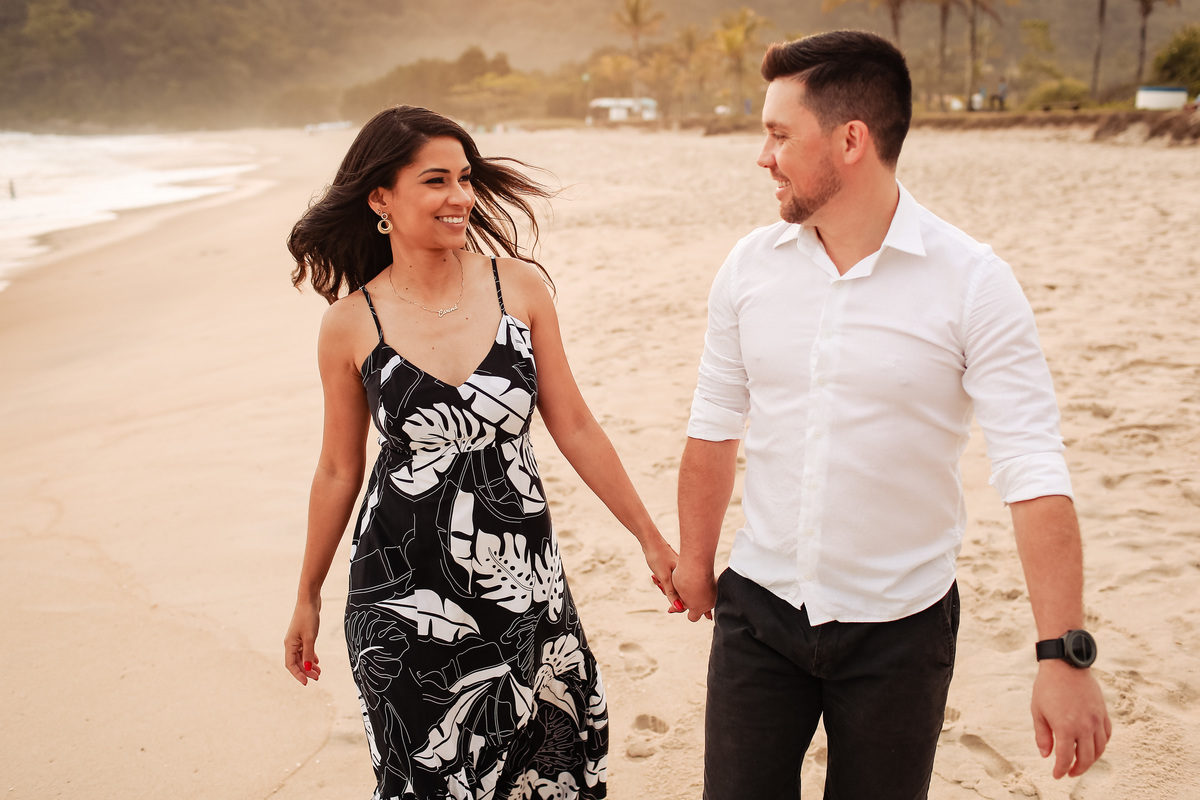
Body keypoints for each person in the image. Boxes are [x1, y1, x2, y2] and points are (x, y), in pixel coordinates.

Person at [671, 31, 1111, 800]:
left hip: (901, 632)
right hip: (759, 615)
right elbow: (714, 422)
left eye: (778, 134)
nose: (761, 155)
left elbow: (1033, 466)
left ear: (850, 140)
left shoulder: (973, 282)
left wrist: (1062, 655)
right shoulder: (750, 268)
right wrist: (696, 562)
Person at [283, 105, 681, 799]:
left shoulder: (517, 288)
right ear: (381, 197)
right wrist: (308, 594)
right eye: (436, 180)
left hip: (522, 583)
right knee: (431, 779)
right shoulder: (350, 325)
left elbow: (576, 425)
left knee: (551, 762)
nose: (461, 197)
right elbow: (339, 469)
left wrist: (650, 537)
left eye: (466, 178)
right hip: (400, 594)